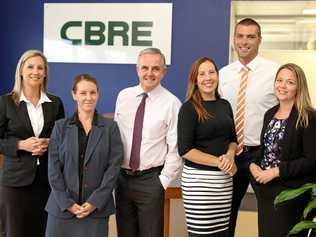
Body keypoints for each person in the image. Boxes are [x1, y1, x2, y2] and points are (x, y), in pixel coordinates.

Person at [218, 18, 280, 236]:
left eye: (250, 37)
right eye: (240, 36)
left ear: (259, 40)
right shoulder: (223, 74)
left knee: (270, 217)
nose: (244, 42)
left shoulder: (275, 72)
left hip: (261, 155)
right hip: (231, 155)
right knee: (226, 218)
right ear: (234, 39)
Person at [114, 47, 182, 237]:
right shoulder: (123, 96)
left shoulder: (172, 103)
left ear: (163, 72)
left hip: (151, 181)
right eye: (145, 68)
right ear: (137, 69)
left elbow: (175, 148)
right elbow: (116, 137)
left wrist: (162, 182)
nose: (149, 73)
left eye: (155, 68)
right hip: (122, 179)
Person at [45, 74, 123, 237]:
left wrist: (95, 202)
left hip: (95, 212)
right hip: (62, 210)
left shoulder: (110, 128)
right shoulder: (60, 127)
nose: (88, 97)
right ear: (74, 94)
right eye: (83, 93)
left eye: (92, 92)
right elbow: (53, 169)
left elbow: (113, 168)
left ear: (98, 94)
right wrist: (67, 203)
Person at [0, 49, 65, 237]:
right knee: (14, 231)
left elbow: (62, 140)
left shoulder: (55, 103)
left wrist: (50, 142)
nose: (35, 71)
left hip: (46, 181)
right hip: (15, 183)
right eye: (30, 67)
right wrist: (21, 145)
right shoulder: (5, 103)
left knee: (43, 231)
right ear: (21, 70)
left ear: (45, 73)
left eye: (40, 67)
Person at [249, 63, 316, 237]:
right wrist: (253, 165)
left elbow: (311, 160)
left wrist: (276, 172)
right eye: (279, 80)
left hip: (291, 194)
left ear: (299, 87)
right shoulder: (269, 114)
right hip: (266, 193)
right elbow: (265, 150)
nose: (282, 86)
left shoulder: (308, 116)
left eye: (290, 82)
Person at [178, 57, 237, 237]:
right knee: (202, 233)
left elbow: (233, 139)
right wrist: (219, 162)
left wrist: (230, 155)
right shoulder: (188, 108)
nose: (208, 78)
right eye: (202, 74)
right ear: (195, 79)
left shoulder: (224, 105)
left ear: (217, 76)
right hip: (199, 184)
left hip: (224, 182)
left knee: (221, 233)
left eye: (211, 72)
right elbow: (185, 150)